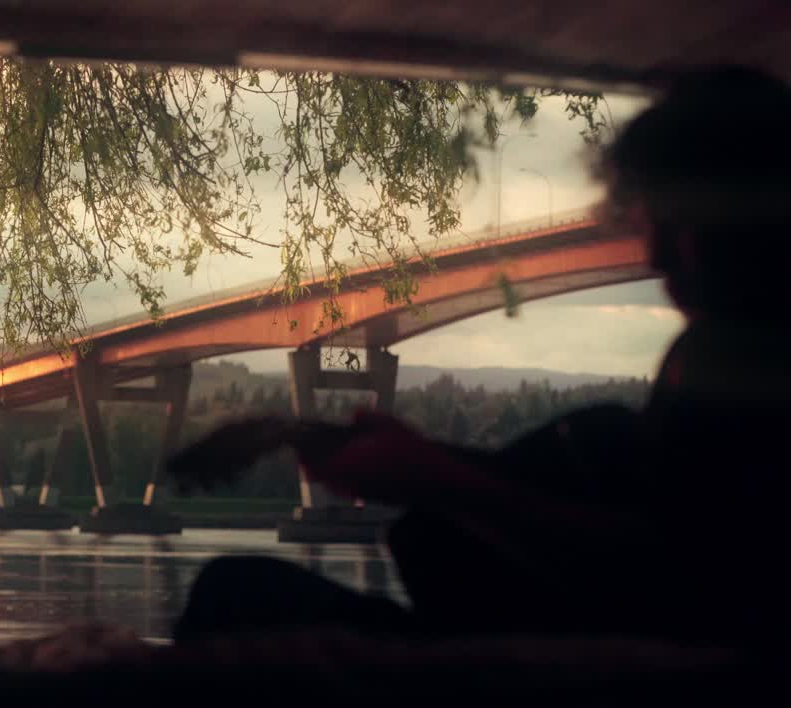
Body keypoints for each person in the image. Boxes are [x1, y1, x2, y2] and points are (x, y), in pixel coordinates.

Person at [169, 66, 791, 647]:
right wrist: (430, 466)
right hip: (555, 643)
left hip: (593, 667)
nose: (655, 257)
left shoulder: (741, 352)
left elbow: (691, 575)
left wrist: (442, 482)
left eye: (678, 221)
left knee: (236, 595)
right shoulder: (718, 349)